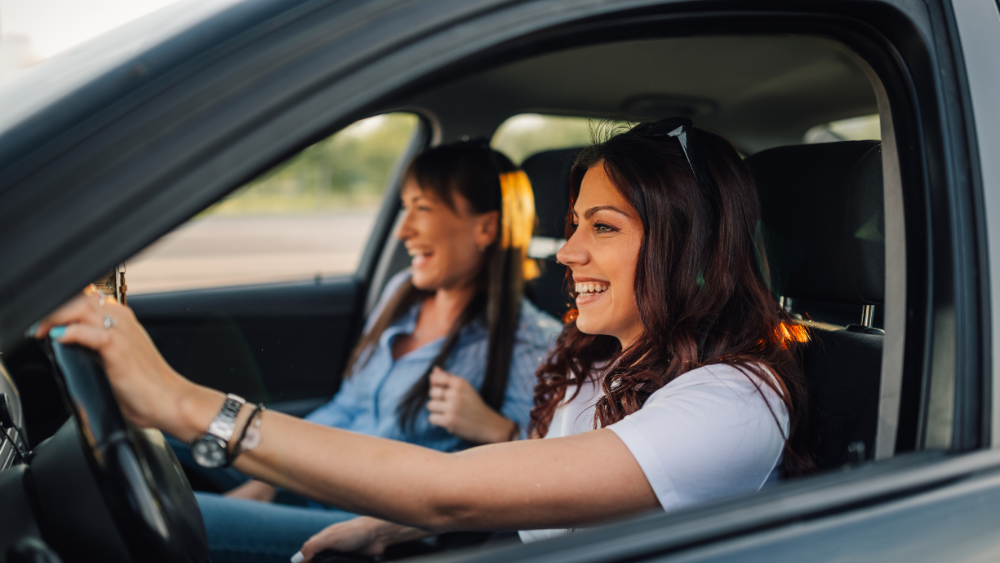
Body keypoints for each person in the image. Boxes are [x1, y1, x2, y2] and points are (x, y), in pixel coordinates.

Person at [36, 118, 814, 563]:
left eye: (601, 228)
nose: (567, 252)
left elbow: (455, 485)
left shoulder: (736, 402)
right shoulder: (598, 366)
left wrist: (181, 401)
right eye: (570, 225)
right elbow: (505, 488)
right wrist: (387, 525)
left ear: (689, 247)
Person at [165, 142, 564, 562]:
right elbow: (346, 407)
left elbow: (533, 480)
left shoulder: (530, 343)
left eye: (422, 209)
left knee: (177, 519)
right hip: (314, 482)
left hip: (374, 523)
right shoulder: (401, 294)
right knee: (163, 435)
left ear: (485, 228)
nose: (402, 230)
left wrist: (497, 431)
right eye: (404, 207)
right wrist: (273, 477)